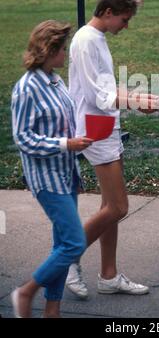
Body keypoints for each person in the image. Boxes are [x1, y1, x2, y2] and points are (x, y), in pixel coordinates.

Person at [66, 0, 158, 298]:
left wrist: (147, 99)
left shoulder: (97, 39)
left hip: (105, 126)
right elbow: (98, 96)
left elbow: (106, 90)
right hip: (95, 130)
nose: (126, 25)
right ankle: (66, 257)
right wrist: (137, 100)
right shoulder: (86, 40)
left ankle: (108, 276)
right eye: (124, 18)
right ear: (107, 12)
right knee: (119, 206)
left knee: (109, 206)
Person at [10, 20, 93, 318]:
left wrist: (76, 149)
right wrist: (66, 144)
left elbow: (66, 123)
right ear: (49, 50)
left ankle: (52, 310)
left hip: (66, 173)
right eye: (62, 49)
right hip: (46, 178)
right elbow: (22, 138)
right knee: (74, 243)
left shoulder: (56, 81)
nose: (66, 54)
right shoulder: (26, 89)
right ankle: (26, 292)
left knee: (62, 243)